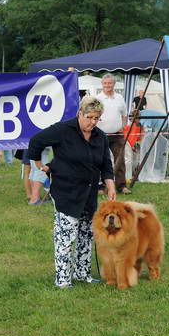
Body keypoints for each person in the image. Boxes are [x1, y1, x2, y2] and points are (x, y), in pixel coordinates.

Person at [28, 96, 115, 289]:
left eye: (96, 118)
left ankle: (83, 273)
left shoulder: (100, 137)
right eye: (89, 117)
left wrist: (110, 185)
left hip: (89, 194)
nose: (92, 122)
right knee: (65, 237)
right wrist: (39, 164)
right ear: (80, 114)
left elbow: (106, 165)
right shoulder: (63, 130)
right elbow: (36, 141)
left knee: (86, 235)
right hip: (66, 193)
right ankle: (63, 279)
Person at [95, 73, 130, 194]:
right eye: (105, 83)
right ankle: (101, 186)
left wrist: (123, 126)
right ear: (102, 84)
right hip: (100, 134)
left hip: (117, 135)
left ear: (114, 84)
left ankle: (121, 185)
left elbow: (125, 115)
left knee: (120, 159)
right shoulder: (97, 98)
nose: (107, 85)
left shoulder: (119, 97)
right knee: (100, 160)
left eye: (109, 83)